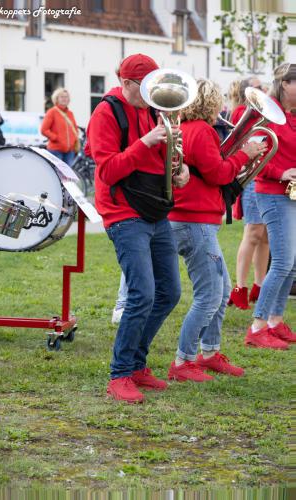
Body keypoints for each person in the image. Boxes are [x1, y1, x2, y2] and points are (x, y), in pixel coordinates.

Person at [86, 53, 189, 403]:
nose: (150, 96)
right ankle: (119, 374)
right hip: (122, 212)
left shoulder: (151, 109)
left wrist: (179, 169)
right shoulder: (106, 112)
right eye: (144, 89)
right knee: (142, 294)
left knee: (170, 292)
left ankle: (136, 366)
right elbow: (108, 171)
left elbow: (160, 161)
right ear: (126, 83)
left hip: (153, 209)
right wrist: (145, 142)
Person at [167, 79, 267, 382]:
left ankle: (209, 353)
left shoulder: (192, 129)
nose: (221, 106)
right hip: (194, 220)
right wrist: (245, 154)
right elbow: (220, 174)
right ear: (210, 104)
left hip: (196, 219)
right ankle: (183, 360)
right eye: (218, 101)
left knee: (221, 290)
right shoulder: (202, 131)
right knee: (209, 295)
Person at [245, 63, 296, 349]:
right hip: (273, 194)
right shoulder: (269, 112)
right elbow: (254, 157)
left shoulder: (290, 114)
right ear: (286, 84)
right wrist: (281, 173)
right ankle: (257, 326)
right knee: (283, 263)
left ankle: (275, 321)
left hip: (290, 194)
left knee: (291, 265)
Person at [227, 77, 270, 310]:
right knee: (253, 233)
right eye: (259, 87)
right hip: (254, 178)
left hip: (266, 175)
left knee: (265, 237)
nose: (265, 89)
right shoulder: (243, 112)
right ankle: (239, 288)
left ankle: (259, 285)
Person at [41, 88, 80, 166]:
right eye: (62, 97)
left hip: (70, 151)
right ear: (56, 99)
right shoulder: (52, 112)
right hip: (56, 150)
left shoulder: (70, 113)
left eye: (66, 97)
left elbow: (75, 129)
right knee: (57, 175)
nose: (64, 99)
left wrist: (73, 141)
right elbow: (44, 130)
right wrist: (56, 138)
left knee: (68, 177)